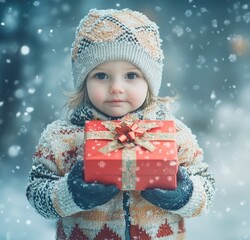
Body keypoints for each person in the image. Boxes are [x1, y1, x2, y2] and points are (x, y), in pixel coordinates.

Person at [26, 8, 215, 240]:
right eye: (101, 76)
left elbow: (206, 187)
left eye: (131, 76)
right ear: (84, 82)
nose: (116, 87)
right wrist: (71, 193)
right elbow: (37, 195)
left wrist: (184, 194)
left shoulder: (172, 134)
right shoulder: (62, 137)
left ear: (150, 82)